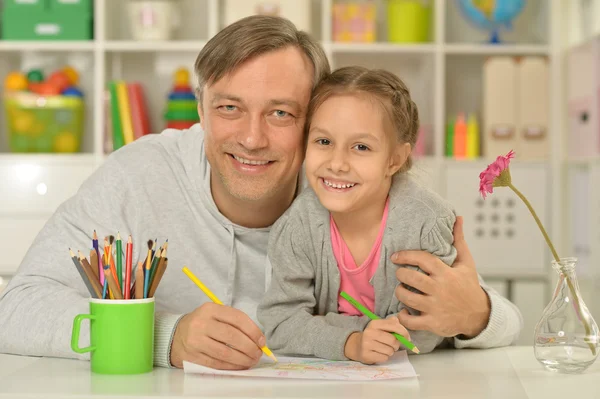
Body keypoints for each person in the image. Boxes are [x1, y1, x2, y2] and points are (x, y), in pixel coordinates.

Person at [0, 15, 523, 371]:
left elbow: (494, 318)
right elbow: (16, 308)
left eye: (281, 113)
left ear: (314, 122)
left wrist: (475, 313)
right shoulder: (138, 176)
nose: (252, 138)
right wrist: (166, 337)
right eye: (229, 108)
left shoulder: (352, 192)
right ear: (201, 111)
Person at [258, 66, 457, 363]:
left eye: (361, 147)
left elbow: (432, 326)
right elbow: (280, 324)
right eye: (323, 142)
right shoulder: (298, 226)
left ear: (395, 160)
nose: (337, 163)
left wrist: (331, 327)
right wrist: (352, 342)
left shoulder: (425, 224)